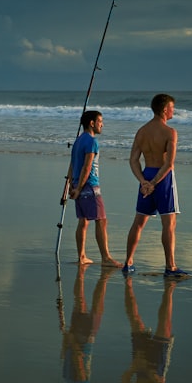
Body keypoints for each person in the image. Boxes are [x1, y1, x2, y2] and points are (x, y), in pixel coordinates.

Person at [122, 93, 189, 277]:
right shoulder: (170, 132)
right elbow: (169, 164)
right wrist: (152, 183)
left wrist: (143, 181)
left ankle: (128, 263)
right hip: (162, 179)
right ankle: (170, 266)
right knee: (169, 224)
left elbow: (133, 160)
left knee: (138, 223)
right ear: (165, 109)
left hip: (147, 175)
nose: (173, 111)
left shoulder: (141, 131)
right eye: (172, 108)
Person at [68, 110, 122, 268]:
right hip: (89, 185)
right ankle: (106, 257)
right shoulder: (92, 141)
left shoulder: (78, 141)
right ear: (91, 123)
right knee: (101, 220)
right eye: (100, 121)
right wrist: (79, 188)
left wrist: (72, 185)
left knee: (83, 221)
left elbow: (72, 165)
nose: (102, 124)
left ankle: (82, 256)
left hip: (77, 184)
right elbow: (87, 166)